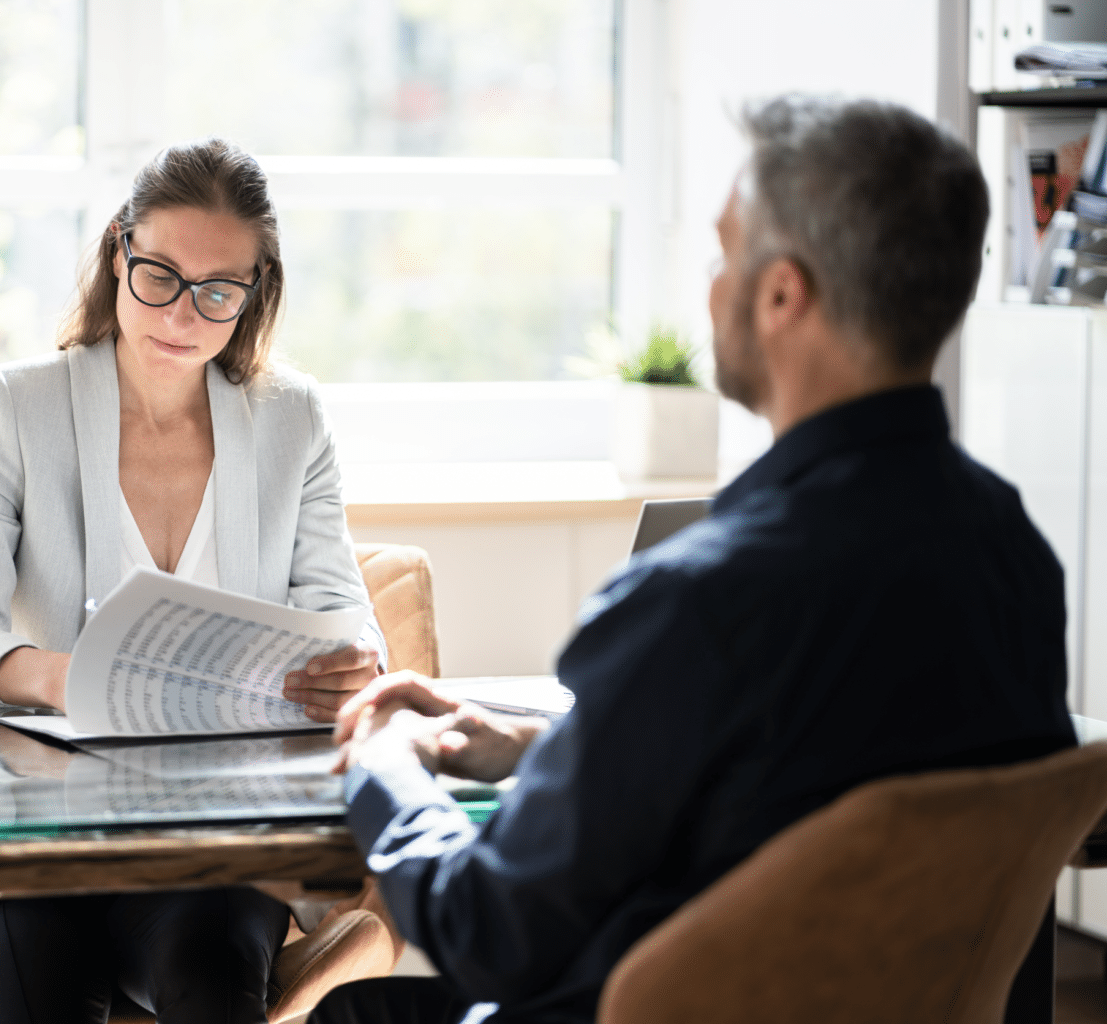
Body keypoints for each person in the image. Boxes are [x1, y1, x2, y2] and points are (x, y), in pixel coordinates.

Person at [310, 95, 1077, 1024]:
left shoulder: (701, 603)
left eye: (724, 253)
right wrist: (544, 750)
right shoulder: (1013, 555)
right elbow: (804, 787)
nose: (711, 286)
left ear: (781, 295)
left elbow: (489, 933)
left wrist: (383, 763)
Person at [0, 137, 385, 1024]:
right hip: (25, 842)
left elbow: (345, 613)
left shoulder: (292, 418)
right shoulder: (13, 405)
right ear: (117, 252)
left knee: (212, 983)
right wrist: (57, 676)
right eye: (159, 276)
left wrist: (356, 659)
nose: (181, 314)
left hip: (212, 846)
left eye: (218, 291)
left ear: (256, 291)